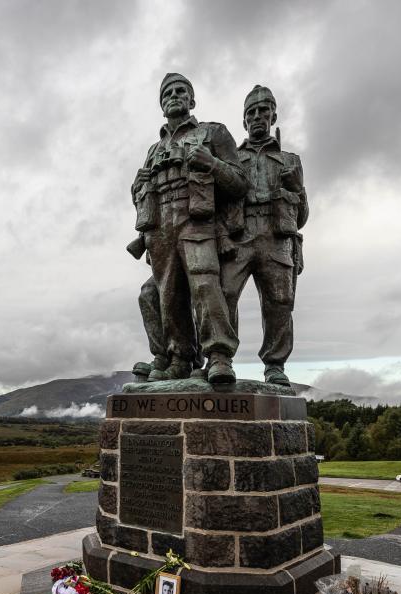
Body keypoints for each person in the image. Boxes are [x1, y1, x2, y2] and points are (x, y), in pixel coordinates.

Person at [130, 73, 248, 384]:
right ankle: (179, 357)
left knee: (205, 284)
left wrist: (211, 163)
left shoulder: (213, 132)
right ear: (161, 104)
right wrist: (137, 188)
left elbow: (239, 184)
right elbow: (142, 195)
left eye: (181, 91)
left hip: (196, 220)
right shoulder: (154, 150)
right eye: (167, 93)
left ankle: (219, 355)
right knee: (166, 295)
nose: (174, 96)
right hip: (160, 229)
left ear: (192, 100)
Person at [221, 85, 308, 387]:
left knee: (279, 302)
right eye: (250, 113)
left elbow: (303, 216)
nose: (257, 116)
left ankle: (275, 364)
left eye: (262, 110)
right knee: (224, 294)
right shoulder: (232, 157)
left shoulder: (291, 160)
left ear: (273, 115)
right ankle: (221, 358)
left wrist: (295, 187)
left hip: (277, 236)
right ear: (244, 121)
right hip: (240, 234)